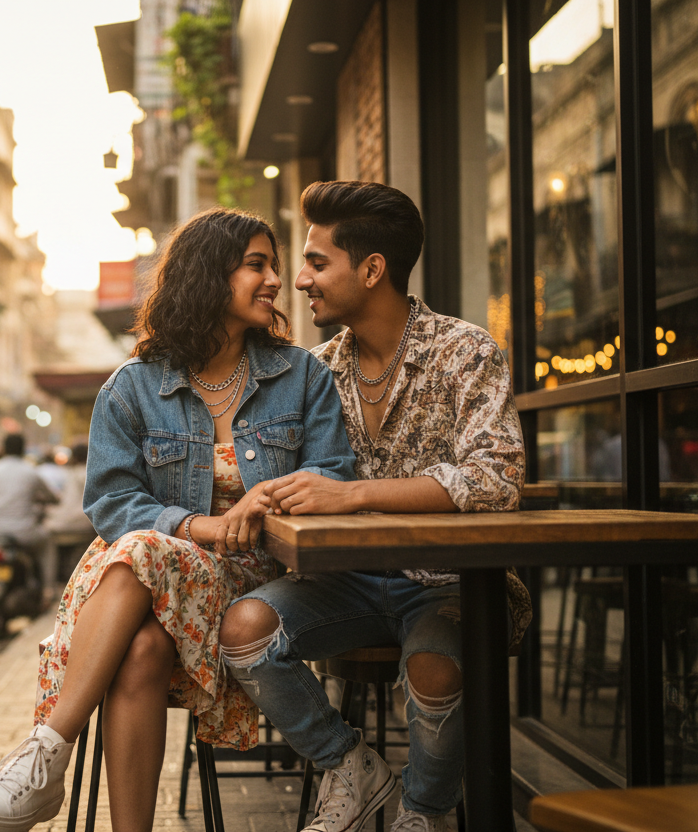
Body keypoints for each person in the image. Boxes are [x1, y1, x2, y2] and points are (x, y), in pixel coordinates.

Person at [0, 208, 356, 832]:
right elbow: (112, 502)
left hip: (252, 585)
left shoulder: (302, 375)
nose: (277, 280)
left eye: (274, 265)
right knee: (142, 646)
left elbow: (332, 474)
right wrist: (205, 527)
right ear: (208, 275)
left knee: (141, 550)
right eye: (256, 265)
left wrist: (265, 498)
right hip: (142, 582)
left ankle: (45, 753)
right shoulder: (132, 387)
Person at [218, 181, 530, 832]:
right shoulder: (312, 372)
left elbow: (497, 476)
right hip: (345, 583)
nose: (299, 280)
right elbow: (283, 471)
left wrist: (354, 493)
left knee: (435, 668)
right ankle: (351, 767)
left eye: (316, 262)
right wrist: (261, 489)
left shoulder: (464, 350)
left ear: (372, 269)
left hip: (453, 583)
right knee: (244, 629)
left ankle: (423, 813)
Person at [0, 433, 58, 554]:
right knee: (47, 540)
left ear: (4, 449)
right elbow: (52, 496)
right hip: (23, 532)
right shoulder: (31, 471)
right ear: (23, 449)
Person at [42, 441, 95, 584]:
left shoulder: (69, 473)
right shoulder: (89, 473)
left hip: (61, 523)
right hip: (80, 523)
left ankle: (49, 585)